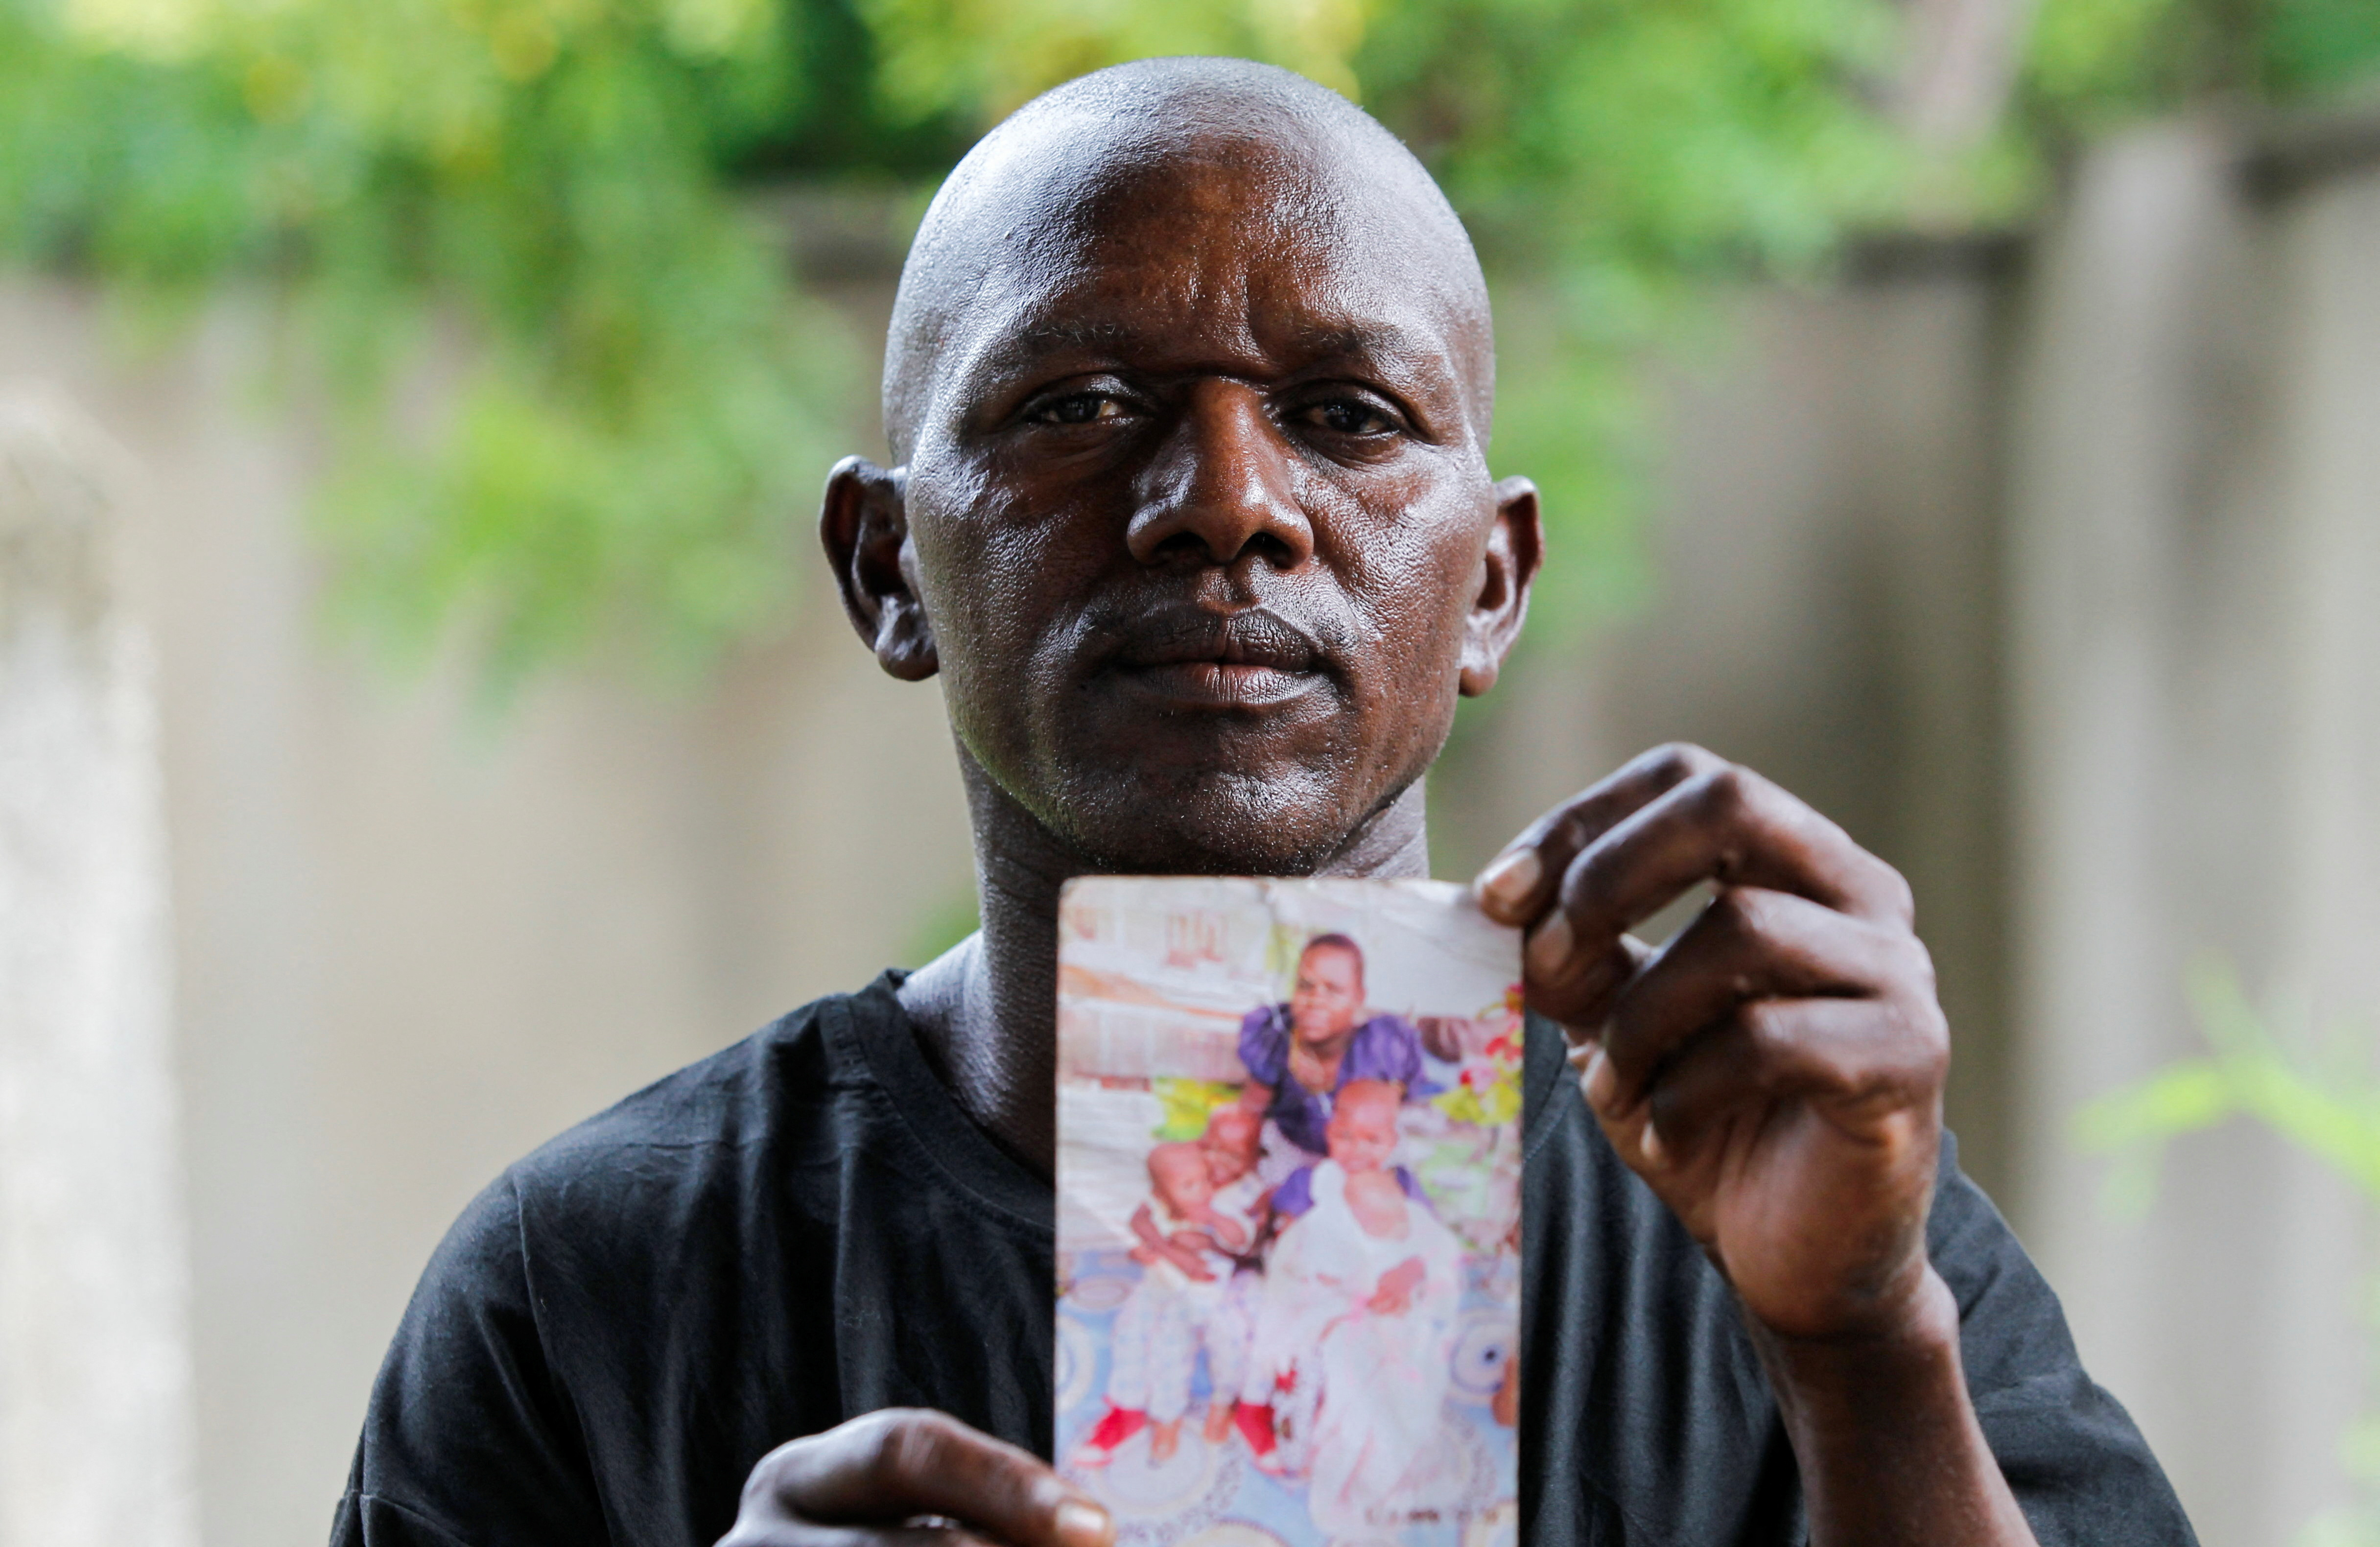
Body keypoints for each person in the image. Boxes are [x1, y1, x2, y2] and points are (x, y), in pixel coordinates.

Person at [333, 56, 2197, 1547]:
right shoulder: (590, 1282)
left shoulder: (1803, 1224)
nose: (1228, 498)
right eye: (1073, 405)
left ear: (1487, 584)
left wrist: (1863, 1355)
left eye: (1344, 414)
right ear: (884, 566)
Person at [1072, 1143, 1243, 1469]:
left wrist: (1212, 1222)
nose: (1203, 1190)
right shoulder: (1157, 1208)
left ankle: (1170, 1420)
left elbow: (1231, 1244)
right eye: (1189, 1185)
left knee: (1172, 1351)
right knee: (1129, 1333)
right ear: (1161, 1193)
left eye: (1206, 1178)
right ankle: (1127, 1410)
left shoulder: (1217, 1206)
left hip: (1199, 1298)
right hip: (1156, 1289)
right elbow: (1137, 1221)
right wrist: (1155, 1249)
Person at [1237, 934, 1430, 1164]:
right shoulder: (1278, 1035)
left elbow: (1401, 1108)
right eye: (1305, 986)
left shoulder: (1383, 1045)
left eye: (1334, 990)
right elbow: (1251, 1113)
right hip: (1293, 1152)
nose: (1316, 1001)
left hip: (1367, 1158)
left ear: (1359, 998)